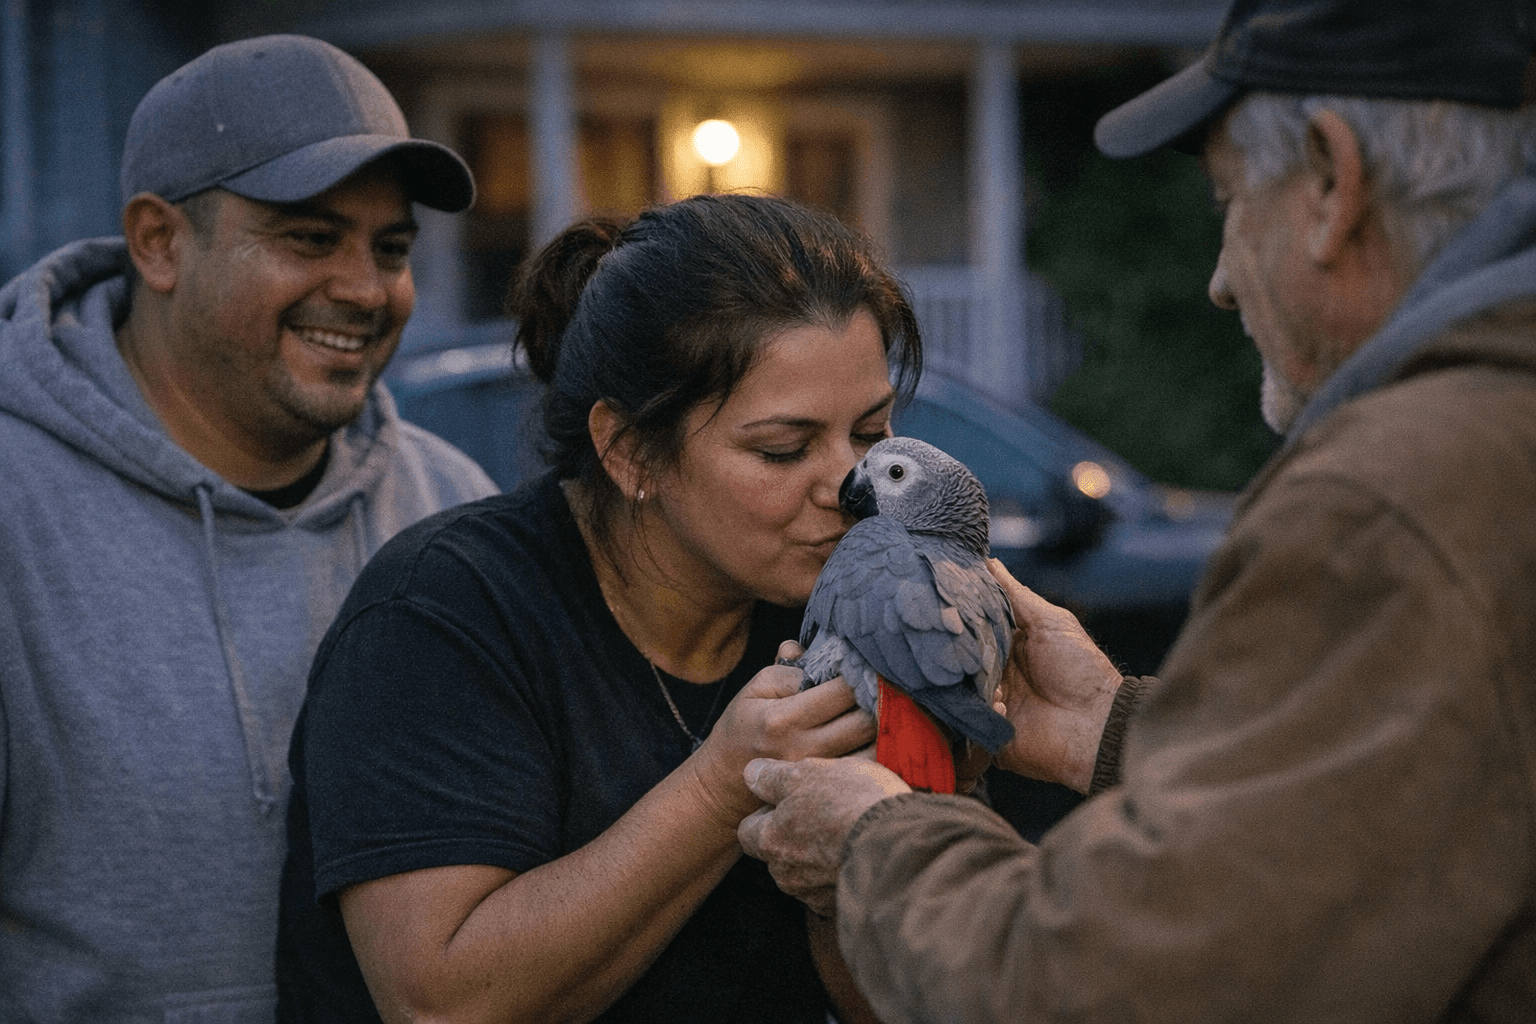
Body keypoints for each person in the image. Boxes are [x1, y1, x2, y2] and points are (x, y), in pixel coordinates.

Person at [737, 0, 1536, 1020]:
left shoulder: (1390, 497)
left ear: (1333, 183)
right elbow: (1432, 802)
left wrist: (878, 845)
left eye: (1229, 200)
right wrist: (1105, 728)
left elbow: (1110, 987)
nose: (1216, 281)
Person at [274, 193, 924, 1023]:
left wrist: (901, 831)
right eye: (782, 449)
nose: (849, 484)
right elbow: (441, 1004)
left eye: (871, 433)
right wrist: (723, 785)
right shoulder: (440, 613)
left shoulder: (837, 603)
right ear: (627, 452)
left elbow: (880, 999)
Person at [0, 34, 497, 1022]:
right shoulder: (17, 517)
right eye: (309, 239)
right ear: (158, 242)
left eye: (390, 248)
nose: (363, 289)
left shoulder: (453, 511)